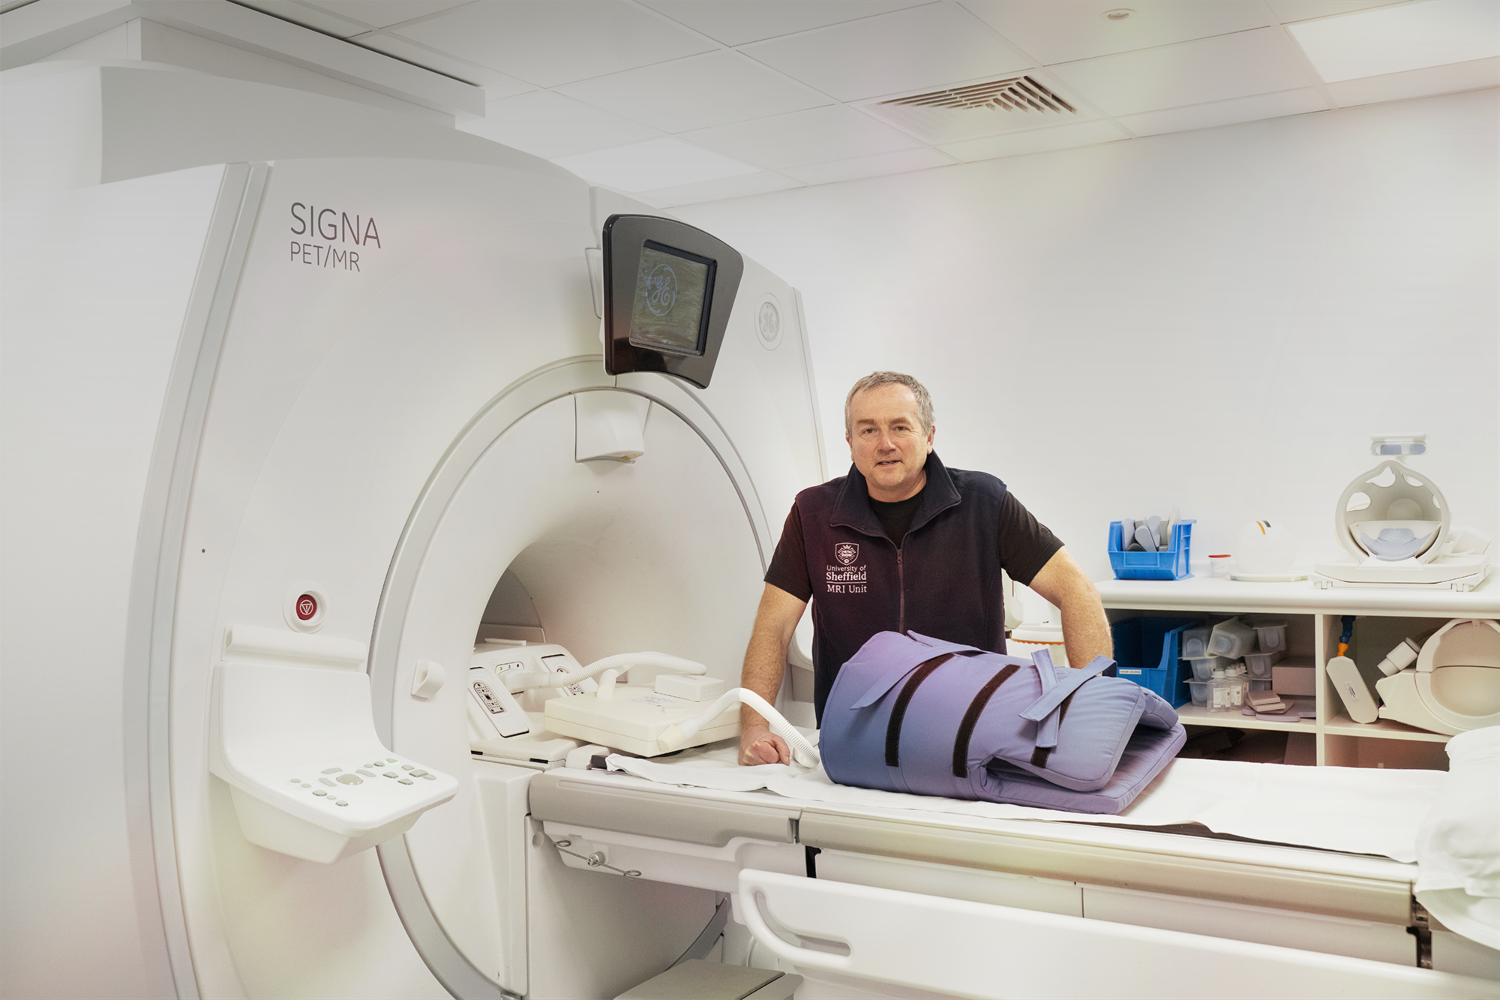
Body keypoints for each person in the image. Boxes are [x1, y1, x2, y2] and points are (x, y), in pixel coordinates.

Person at [738, 371, 1112, 766]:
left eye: (901, 427)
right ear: (849, 444)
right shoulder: (813, 514)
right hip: (854, 741)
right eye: (868, 430)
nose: (885, 444)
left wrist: (1097, 719)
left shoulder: (984, 503)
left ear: (929, 436)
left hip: (970, 737)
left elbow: (1077, 592)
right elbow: (773, 625)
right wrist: (754, 726)